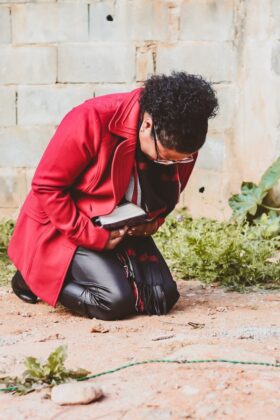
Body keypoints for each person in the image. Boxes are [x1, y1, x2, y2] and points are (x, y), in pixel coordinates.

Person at [8, 71, 218, 320]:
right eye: (164, 157)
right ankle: (32, 278)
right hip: (68, 223)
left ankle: (66, 272)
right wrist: (90, 235)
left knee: (161, 297)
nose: (171, 165)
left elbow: (171, 190)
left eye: (182, 159)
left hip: (120, 225)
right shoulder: (91, 118)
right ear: (147, 125)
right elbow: (47, 187)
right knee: (113, 301)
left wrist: (154, 222)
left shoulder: (183, 140)